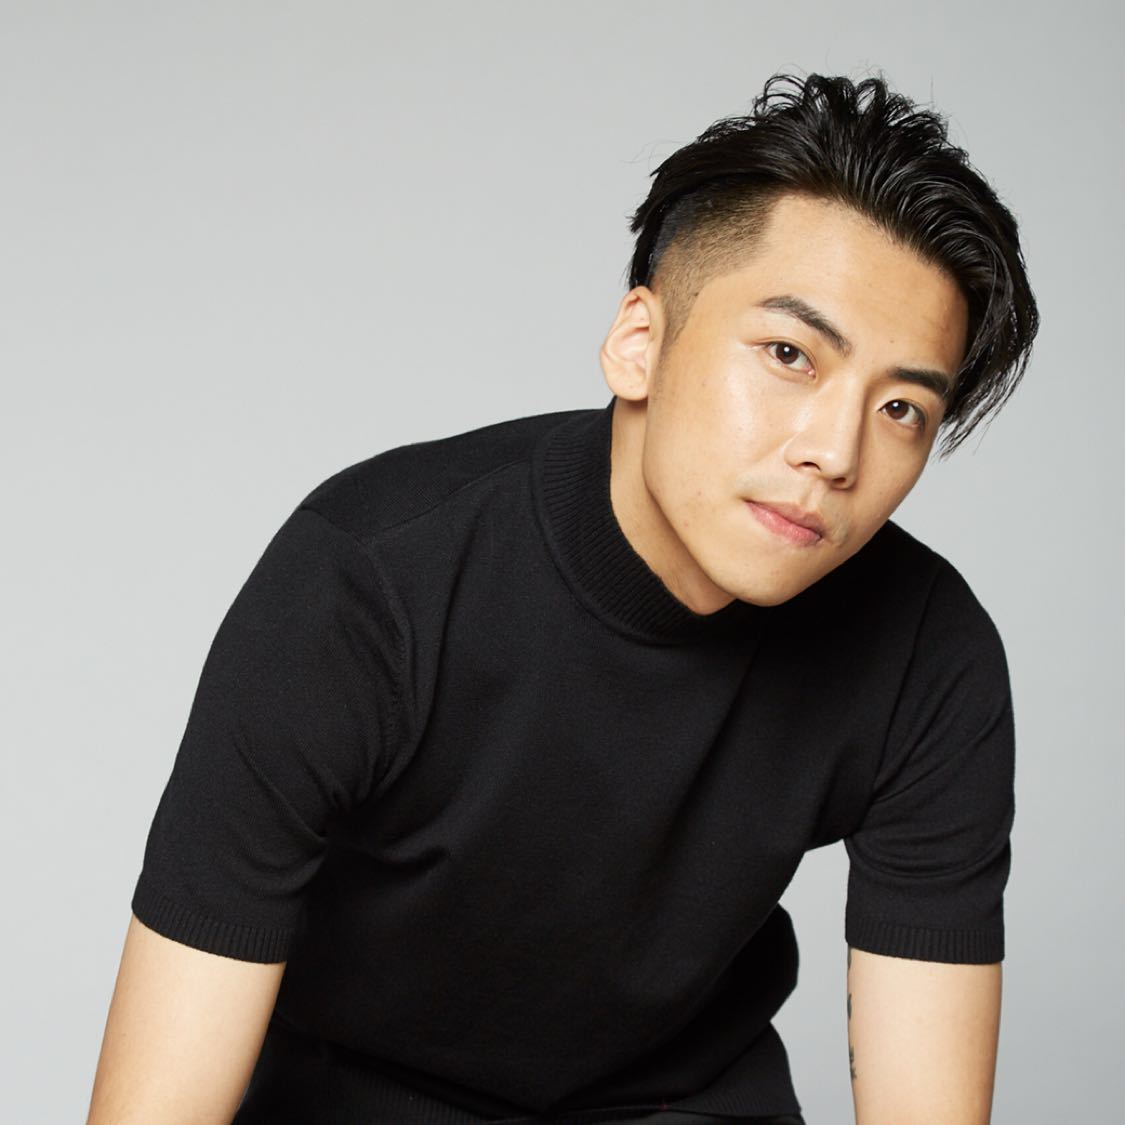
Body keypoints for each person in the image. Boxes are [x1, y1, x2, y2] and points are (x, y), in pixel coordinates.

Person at [87, 71, 1038, 1125]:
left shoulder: (928, 656)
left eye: (901, 408)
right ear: (639, 344)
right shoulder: (371, 579)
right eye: (788, 355)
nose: (835, 452)